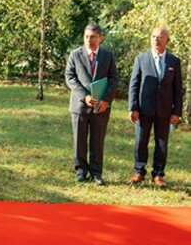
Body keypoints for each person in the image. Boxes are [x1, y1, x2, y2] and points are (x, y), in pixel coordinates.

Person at [128, 27, 183, 188]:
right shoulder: (141, 59)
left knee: (161, 143)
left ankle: (158, 174)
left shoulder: (174, 62)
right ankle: (139, 171)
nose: (156, 40)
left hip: (165, 110)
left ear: (167, 40)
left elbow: (178, 89)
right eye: (153, 37)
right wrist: (132, 108)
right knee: (141, 141)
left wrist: (176, 111)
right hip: (143, 109)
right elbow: (134, 85)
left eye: (160, 37)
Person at [65, 24, 119, 185]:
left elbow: (114, 79)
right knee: (79, 140)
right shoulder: (75, 54)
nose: (89, 40)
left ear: (100, 38)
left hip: (100, 106)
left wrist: (106, 101)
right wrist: (84, 96)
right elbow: (70, 77)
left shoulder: (107, 56)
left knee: (97, 141)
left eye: (93, 37)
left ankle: (96, 173)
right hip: (80, 105)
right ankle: (81, 171)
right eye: (87, 36)